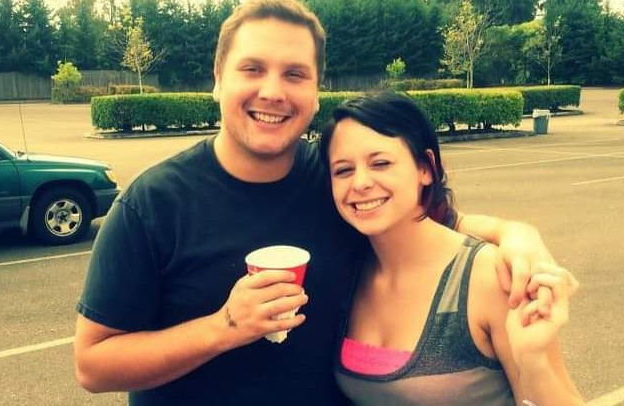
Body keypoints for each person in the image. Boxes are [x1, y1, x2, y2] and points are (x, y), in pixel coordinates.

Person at [74, 1, 568, 405]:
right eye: (252, 69)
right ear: (218, 78)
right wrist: (224, 327)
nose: (272, 91)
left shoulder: (337, 180)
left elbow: (428, 223)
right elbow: (93, 365)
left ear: (316, 92)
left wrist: (516, 235)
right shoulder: (152, 204)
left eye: (295, 74)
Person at [319, 91, 583, 406]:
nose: (360, 182)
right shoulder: (350, 267)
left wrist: (533, 361)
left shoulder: (489, 276)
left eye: (381, 163)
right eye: (343, 170)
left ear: (425, 168)